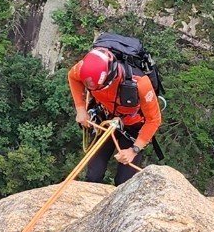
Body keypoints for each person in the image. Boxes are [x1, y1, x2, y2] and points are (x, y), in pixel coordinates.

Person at [68, 45, 162, 185]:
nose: (92, 88)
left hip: (132, 128)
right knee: (93, 175)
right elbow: (72, 76)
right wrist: (81, 109)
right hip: (105, 119)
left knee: (123, 183)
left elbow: (154, 120)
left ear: (109, 77)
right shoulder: (82, 69)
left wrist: (134, 150)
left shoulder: (140, 83)